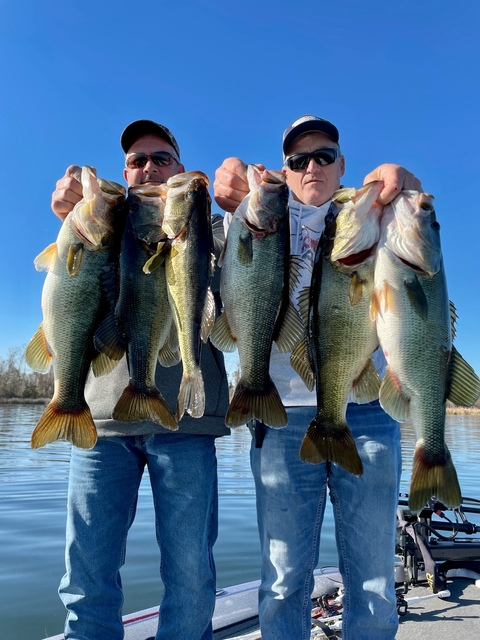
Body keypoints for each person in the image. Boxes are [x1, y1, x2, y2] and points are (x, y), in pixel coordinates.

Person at [213, 114, 423, 640]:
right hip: (280, 415)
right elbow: (198, 208)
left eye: (324, 155)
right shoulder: (261, 213)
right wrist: (229, 180)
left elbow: (416, 204)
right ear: (284, 168)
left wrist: (402, 177)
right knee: (282, 580)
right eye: (298, 159)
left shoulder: (366, 213)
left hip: (368, 415)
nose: (312, 166)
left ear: (342, 165)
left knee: (373, 579)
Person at [50, 119, 230, 640]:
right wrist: (71, 210)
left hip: (186, 422)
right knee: (86, 576)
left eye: (161, 158)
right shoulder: (104, 223)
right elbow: (74, 295)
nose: (148, 167)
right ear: (125, 174)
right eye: (136, 160)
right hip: (101, 423)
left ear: (180, 167)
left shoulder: (209, 227)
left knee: (192, 576)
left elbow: (239, 277)